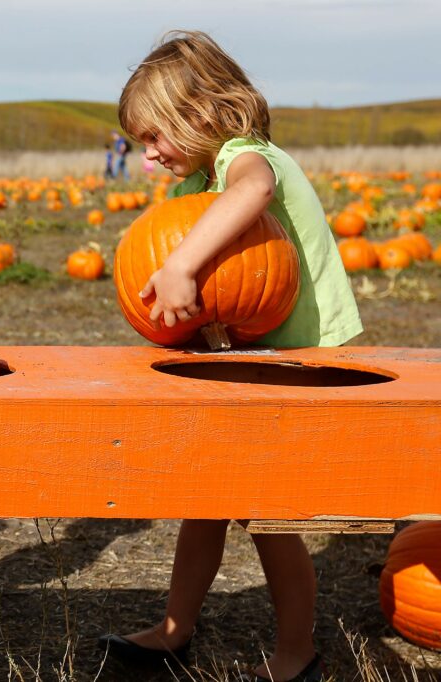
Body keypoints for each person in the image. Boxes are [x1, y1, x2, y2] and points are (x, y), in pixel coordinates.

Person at [98, 31, 362, 682]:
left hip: (305, 358)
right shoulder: (198, 178)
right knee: (207, 494)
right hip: (258, 355)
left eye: (156, 137)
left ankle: (297, 652)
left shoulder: (247, 157)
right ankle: (174, 628)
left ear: (204, 112)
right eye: (141, 145)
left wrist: (184, 264)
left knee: (267, 510)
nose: (150, 155)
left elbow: (254, 194)